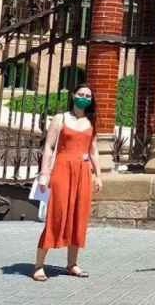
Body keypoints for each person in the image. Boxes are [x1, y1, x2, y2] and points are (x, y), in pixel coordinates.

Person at [33, 84, 102, 282]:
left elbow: (93, 150)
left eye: (88, 95)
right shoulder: (61, 118)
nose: (84, 97)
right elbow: (48, 146)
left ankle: (72, 264)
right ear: (73, 96)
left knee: (78, 217)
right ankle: (39, 265)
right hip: (62, 169)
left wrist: (98, 175)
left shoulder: (91, 121)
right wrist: (45, 173)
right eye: (80, 94)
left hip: (83, 172)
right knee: (57, 215)